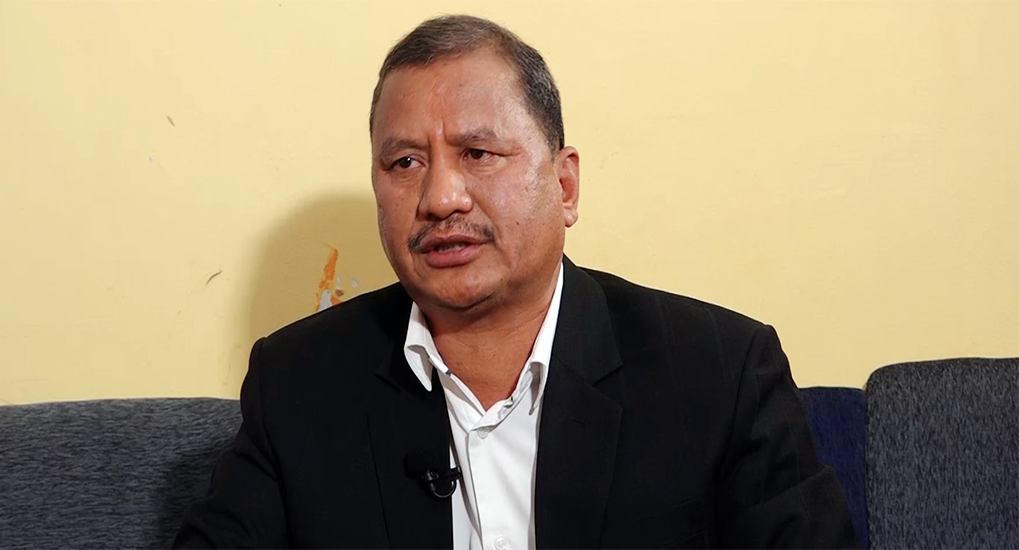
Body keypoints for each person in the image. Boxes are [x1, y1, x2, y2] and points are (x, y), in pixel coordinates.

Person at [174, 14, 858, 549]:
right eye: (405, 162)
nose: (441, 197)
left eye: (477, 153)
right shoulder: (298, 384)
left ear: (565, 185)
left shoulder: (718, 372)